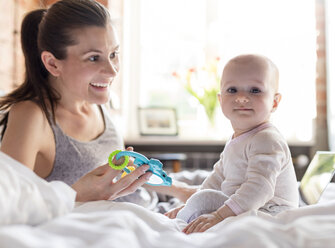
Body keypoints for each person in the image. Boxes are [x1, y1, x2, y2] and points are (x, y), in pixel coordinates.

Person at [0, 0, 151, 202]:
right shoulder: (32, 116)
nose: (112, 70)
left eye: (113, 54)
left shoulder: (97, 103)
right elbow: (8, 205)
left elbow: (120, 176)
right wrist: (76, 195)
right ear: (53, 64)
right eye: (93, 58)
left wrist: (180, 190)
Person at [164, 54, 299, 234]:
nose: (242, 97)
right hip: (248, 207)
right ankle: (185, 216)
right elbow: (217, 178)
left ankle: (184, 221)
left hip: (271, 213)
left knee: (206, 202)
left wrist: (220, 215)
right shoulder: (237, 139)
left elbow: (260, 188)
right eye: (232, 90)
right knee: (203, 198)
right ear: (220, 100)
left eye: (255, 90)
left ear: (274, 102)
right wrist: (189, 205)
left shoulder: (267, 139)